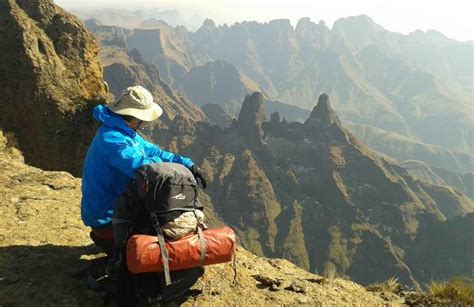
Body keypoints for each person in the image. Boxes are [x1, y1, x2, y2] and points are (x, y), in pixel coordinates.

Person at [81, 86, 207, 255]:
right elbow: (145, 169)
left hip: (118, 206)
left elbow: (154, 152)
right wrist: (176, 172)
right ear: (134, 116)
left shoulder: (124, 131)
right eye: (142, 119)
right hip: (108, 219)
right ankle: (117, 246)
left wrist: (186, 163)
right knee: (168, 230)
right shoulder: (112, 140)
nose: (144, 123)